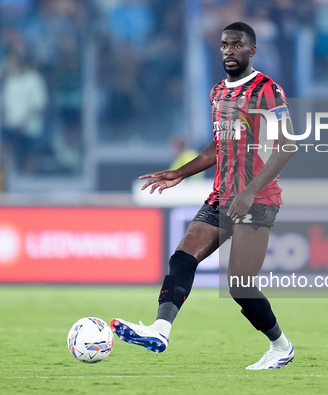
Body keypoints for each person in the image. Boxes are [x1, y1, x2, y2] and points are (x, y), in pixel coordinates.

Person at [111, 22, 297, 370]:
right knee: (182, 258)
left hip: (257, 199)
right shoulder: (217, 93)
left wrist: (251, 191)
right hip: (221, 196)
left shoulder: (267, 90)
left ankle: (281, 346)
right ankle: (160, 330)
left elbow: (288, 145)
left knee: (239, 286)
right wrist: (179, 173)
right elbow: (219, 146)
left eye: (237, 45)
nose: (229, 50)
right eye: (224, 45)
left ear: (252, 51)